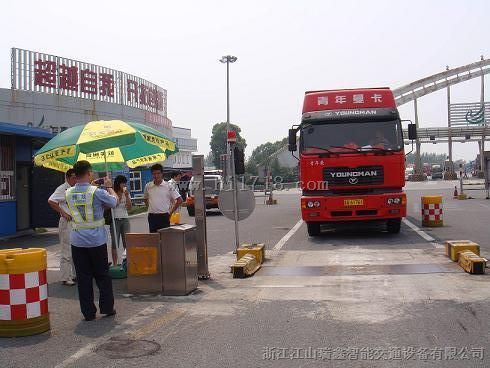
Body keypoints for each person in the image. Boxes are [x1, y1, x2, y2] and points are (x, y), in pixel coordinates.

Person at [65, 160, 118, 321]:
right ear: (89, 173)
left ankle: (88, 313)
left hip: (77, 241)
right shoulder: (97, 192)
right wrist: (109, 187)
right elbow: (114, 202)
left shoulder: (69, 192)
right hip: (96, 241)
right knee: (102, 275)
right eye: (92, 172)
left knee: (83, 278)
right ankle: (107, 308)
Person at [48, 168, 77, 286]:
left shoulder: (75, 189)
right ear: (68, 177)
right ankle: (65, 277)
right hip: (66, 222)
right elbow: (51, 201)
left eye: (77, 177)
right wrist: (63, 213)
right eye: (74, 177)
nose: (76, 179)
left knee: (76, 249)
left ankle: (74, 274)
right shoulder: (62, 188)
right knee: (67, 249)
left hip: (76, 223)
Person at [144, 163, 183, 233]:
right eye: (154, 174)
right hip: (152, 217)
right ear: (151, 174)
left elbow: (180, 200)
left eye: (158, 173)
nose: (156, 176)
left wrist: (170, 213)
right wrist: (149, 208)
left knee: (165, 239)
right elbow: (145, 199)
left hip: (164, 216)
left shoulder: (168, 186)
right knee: (154, 239)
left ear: (162, 174)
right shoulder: (148, 186)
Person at [109, 175, 132, 265]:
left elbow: (129, 207)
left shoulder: (126, 192)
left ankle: (127, 262)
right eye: (123, 183)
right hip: (115, 220)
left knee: (127, 241)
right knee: (115, 243)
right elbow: (114, 205)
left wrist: (127, 196)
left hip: (125, 218)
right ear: (118, 183)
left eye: (125, 183)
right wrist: (119, 194)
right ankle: (115, 264)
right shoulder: (112, 193)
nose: (124, 185)